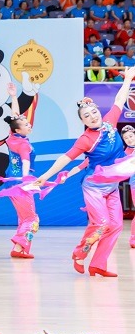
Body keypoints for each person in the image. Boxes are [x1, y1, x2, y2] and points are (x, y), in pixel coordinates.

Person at [33, 67, 135, 278]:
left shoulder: (110, 123)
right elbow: (65, 158)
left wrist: (128, 79)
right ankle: (79, 253)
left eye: (94, 112)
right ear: (83, 121)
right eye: (87, 116)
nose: (92, 116)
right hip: (94, 187)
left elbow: (119, 99)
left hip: (112, 187)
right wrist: (46, 176)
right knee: (101, 223)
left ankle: (98, 264)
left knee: (116, 226)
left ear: (99, 111)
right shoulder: (86, 139)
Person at [3, 86, 38, 259]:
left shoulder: (13, 137)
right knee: (32, 219)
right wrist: (26, 181)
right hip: (21, 184)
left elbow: (15, 118)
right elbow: (25, 162)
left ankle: (22, 249)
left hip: (12, 183)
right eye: (25, 124)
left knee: (24, 218)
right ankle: (18, 247)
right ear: (18, 130)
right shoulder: (23, 144)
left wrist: (14, 96)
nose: (28, 124)